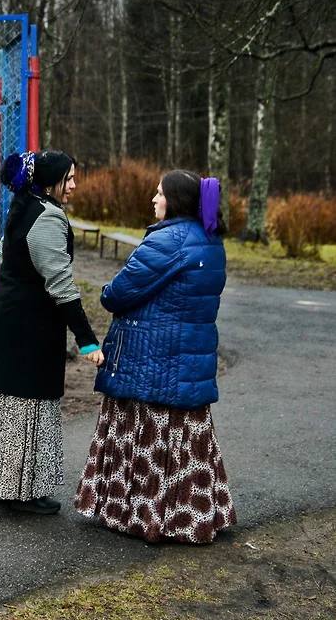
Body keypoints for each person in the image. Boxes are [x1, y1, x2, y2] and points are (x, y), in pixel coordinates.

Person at [75, 170, 234, 544]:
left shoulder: (169, 241)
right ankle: (190, 517)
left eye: (159, 193)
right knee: (184, 441)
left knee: (144, 434)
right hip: (188, 361)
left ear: (175, 200)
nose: (153, 198)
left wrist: (106, 290)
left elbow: (115, 295)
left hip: (153, 359)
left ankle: (139, 514)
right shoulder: (210, 240)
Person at [0, 151, 103, 515]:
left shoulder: (23, 205)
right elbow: (61, 284)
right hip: (27, 327)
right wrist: (87, 338)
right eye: (68, 178)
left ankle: (11, 486)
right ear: (49, 182)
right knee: (25, 403)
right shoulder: (48, 216)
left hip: (6, 318)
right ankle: (16, 493)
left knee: (10, 405)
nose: (73, 185)